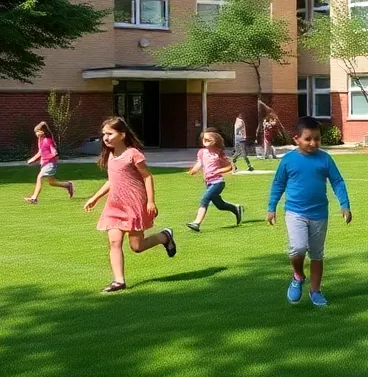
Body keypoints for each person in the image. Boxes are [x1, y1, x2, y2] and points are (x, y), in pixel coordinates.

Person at [83, 116, 176, 293]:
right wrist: (95, 198)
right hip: (114, 206)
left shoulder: (133, 154)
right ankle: (119, 281)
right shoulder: (111, 155)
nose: (106, 138)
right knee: (114, 242)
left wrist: (150, 201)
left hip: (134, 204)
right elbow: (112, 181)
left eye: (110, 133)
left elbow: (147, 176)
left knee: (137, 247)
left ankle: (165, 237)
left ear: (122, 135)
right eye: (104, 134)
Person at [267, 116, 351, 307]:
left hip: (319, 214)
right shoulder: (288, 161)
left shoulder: (325, 159)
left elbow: (337, 181)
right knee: (297, 248)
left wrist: (344, 205)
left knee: (316, 255)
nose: (313, 143)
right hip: (295, 212)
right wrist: (271, 208)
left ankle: (316, 291)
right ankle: (297, 275)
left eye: (317, 139)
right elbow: (278, 184)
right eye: (308, 139)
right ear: (296, 139)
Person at [186, 129, 243, 230]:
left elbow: (230, 166)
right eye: (204, 138)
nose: (205, 139)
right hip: (208, 183)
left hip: (218, 182)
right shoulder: (201, 152)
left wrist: (219, 171)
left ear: (215, 141)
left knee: (204, 199)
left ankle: (196, 223)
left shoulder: (218, 154)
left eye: (209, 138)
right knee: (220, 205)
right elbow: (199, 163)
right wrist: (194, 170)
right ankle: (235, 208)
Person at [23, 121, 74, 203]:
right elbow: (40, 152)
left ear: (42, 131)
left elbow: (55, 153)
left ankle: (34, 198)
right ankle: (68, 185)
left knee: (39, 177)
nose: (36, 134)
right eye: (36, 132)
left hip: (50, 164)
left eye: (37, 132)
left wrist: (46, 157)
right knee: (52, 182)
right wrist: (32, 160)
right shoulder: (41, 140)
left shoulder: (48, 140)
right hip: (44, 164)